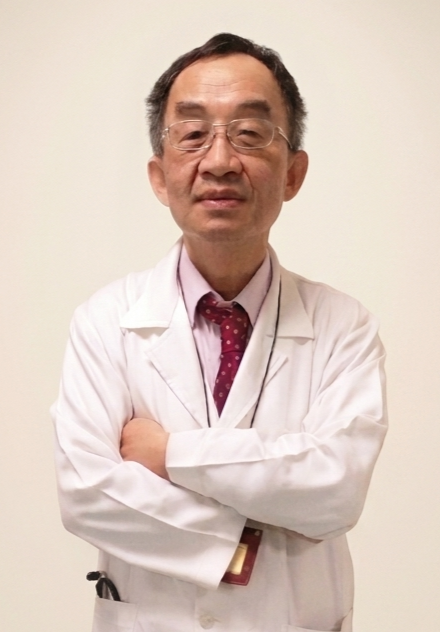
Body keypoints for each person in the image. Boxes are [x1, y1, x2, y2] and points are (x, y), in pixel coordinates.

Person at [52, 33, 387, 632]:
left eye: (250, 133)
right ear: (160, 176)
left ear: (293, 173)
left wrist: (169, 456)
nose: (220, 161)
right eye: (192, 134)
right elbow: (87, 491)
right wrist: (236, 543)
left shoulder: (344, 326)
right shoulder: (105, 320)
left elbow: (334, 488)